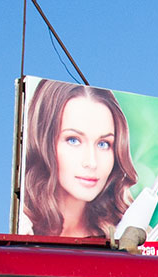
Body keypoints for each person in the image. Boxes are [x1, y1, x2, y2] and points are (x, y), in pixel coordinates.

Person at [20, 79, 138, 238]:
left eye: (103, 144)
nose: (91, 162)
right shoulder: (24, 227)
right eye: (73, 140)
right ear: (43, 142)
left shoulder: (130, 232)